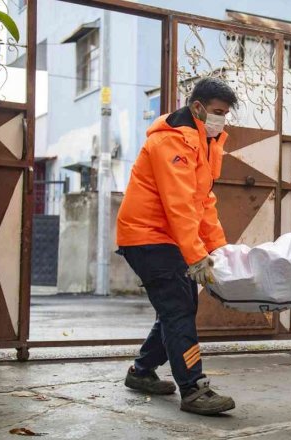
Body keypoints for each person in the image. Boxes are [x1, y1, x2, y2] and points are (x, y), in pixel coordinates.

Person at [115, 77, 236, 416]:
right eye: (216, 112)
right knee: (179, 307)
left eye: (225, 114)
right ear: (196, 107)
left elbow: (204, 202)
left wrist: (219, 250)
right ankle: (194, 389)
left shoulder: (206, 141)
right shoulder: (171, 142)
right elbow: (178, 204)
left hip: (165, 236)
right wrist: (197, 256)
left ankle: (141, 371)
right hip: (147, 235)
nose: (220, 120)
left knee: (176, 306)